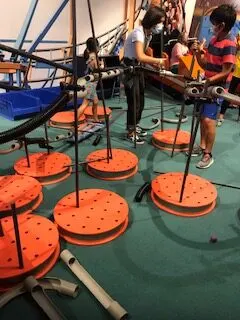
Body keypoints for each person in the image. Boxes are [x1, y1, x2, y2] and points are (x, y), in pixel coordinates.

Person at [189, 4, 237, 169]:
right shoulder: (213, 40)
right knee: (202, 117)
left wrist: (208, 82)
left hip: (218, 88)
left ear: (222, 25)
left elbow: (226, 71)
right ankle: (202, 147)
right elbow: (206, 65)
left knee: (209, 120)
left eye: (214, 23)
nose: (211, 27)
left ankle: (208, 154)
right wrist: (197, 53)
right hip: (207, 84)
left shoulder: (229, 42)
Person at [123, 6, 166, 144]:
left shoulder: (149, 34)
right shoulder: (138, 33)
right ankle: (130, 131)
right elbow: (141, 56)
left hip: (138, 68)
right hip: (130, 68)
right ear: (153, 21)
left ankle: (135, 125)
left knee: (141, 100)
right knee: (133, 101)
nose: (161, 25)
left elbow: (145, 53)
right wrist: (158, 60)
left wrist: (155, 64)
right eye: (160, 22)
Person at [77, 37, 104, 122]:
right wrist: (102, 65)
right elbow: (96, 69)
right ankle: (75, 122)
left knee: (95, 102)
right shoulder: (93, 56)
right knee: (85, 104)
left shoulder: (90, 54)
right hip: (90, 83)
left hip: (91, 82)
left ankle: (95, 119)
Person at [217, 32, 240, 126]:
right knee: (229, 94)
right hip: (236, 70)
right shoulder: (238, 36)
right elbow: (235, 48)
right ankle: (221, 115)